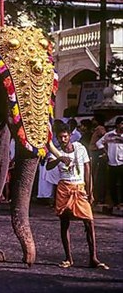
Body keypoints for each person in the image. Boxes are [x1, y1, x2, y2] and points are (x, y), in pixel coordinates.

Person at [46, 123, 108, 269]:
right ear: (57, 137)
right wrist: (59, 159)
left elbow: (87, 170)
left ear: (70, 136)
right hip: (64, 189)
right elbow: (48, 166)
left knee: (89, 222)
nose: (63, 140)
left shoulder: (80, 148)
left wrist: (90, 192)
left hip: (79, 188)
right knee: (64, 223)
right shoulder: (56, 152)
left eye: (65, 137)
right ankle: (68, 258)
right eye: (60, 137)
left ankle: (93, 258)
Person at [96, 116, 123, 210]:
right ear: (117, 125)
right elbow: (99, 143)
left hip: (122, 162)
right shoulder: (109, 135)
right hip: (112, 162)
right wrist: (105, 151)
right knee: (112, 184)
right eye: (121, 124)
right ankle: (115, 202)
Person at [89, 114, 107, 204]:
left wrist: (102, 149)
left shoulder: (100, 129)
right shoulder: (96, 129)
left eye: (94, 119)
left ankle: (99, 197)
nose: (93, 121)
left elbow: (105, 138)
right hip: (94, 152)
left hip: (97, 153)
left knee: (96, 174)